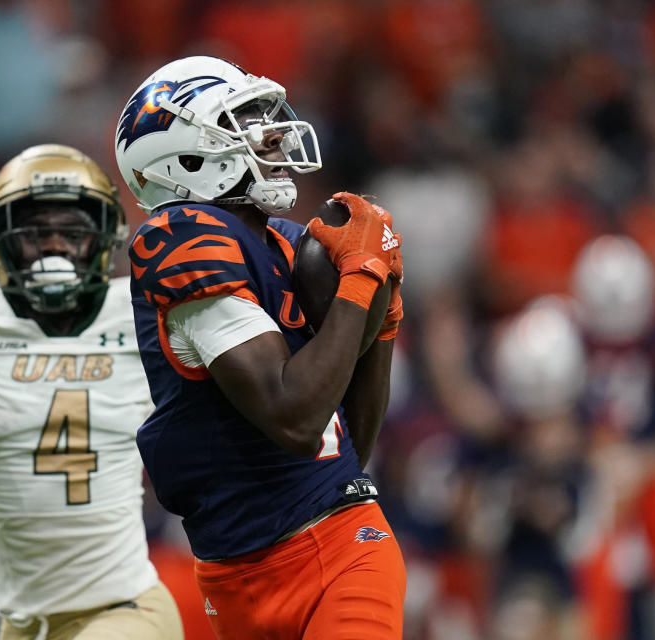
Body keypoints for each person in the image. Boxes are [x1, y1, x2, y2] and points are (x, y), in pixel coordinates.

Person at [114, 55, 407, 639]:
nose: (270, 133)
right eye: (243, 119)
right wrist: (363, 281)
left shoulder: (291, 246)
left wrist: (384, 317)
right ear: (188, 157)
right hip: (233, 576)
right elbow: (296, 417)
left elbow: (346, 443)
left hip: (343, 550)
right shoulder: (182, 240)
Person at [0, 144, 184, 640]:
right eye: (35, 234)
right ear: (0, 242)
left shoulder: (143, 310)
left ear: (102, 240)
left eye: (72, 232)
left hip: (126, 609)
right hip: (25, 625)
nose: (55, 247)